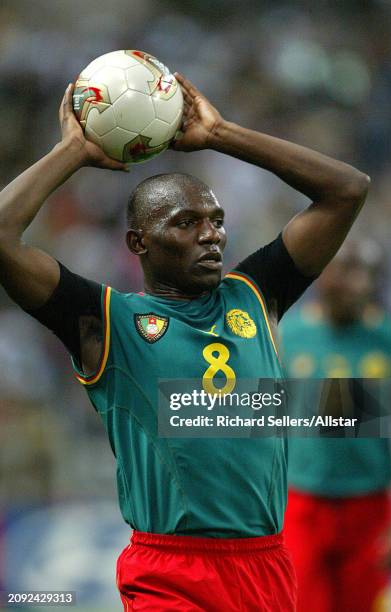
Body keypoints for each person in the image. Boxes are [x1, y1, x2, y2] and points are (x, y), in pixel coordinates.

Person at [0, 72, 369, 611]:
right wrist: (71, 153)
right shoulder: (106, 321)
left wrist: (221, 134)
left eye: (217, 221)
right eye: (187, 222)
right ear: (138, 243)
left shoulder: (255, 295)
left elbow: (347, 189)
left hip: (267, 567)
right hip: (171, 572)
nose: (211, 234)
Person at [281, 242, 391, 612]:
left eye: (361, 272)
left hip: (369, 507)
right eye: (342, 270)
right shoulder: (288, 336)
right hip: (302, 502)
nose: (351, 283)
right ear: (322, 274)